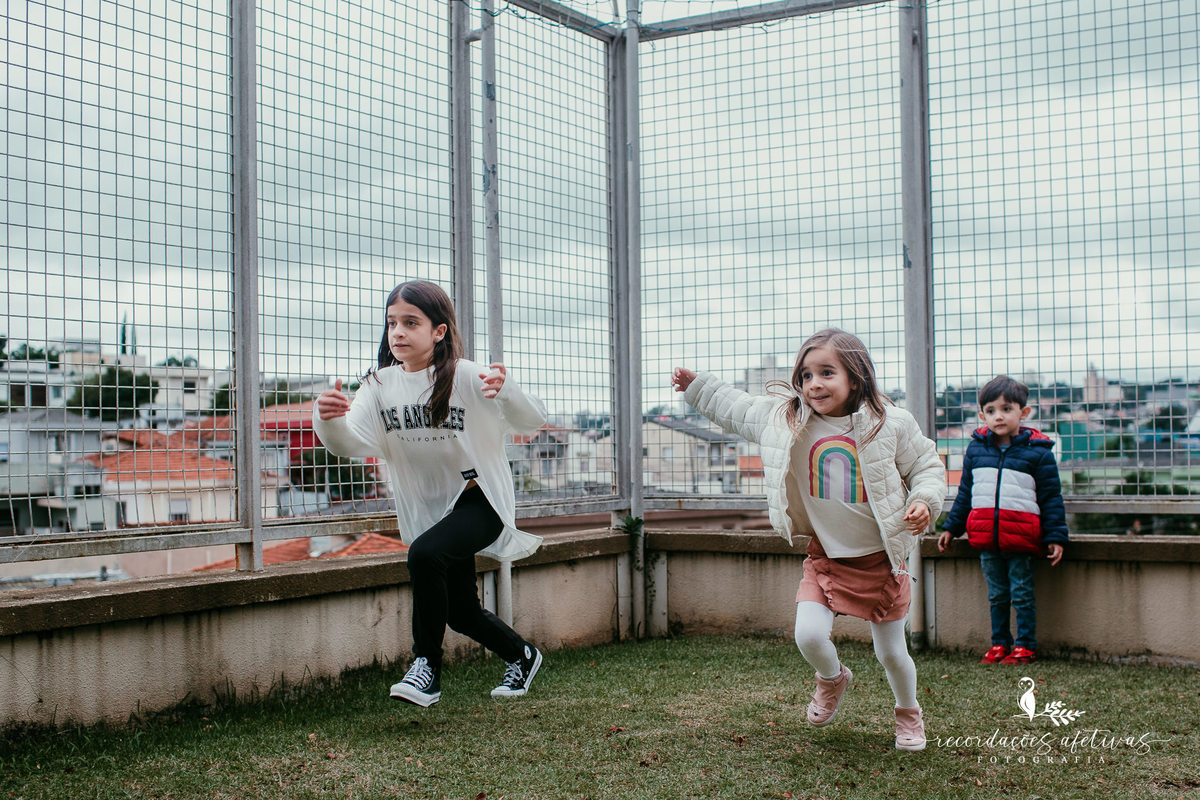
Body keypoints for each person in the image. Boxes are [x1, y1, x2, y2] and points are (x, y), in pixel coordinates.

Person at [671, 329, 945, 752]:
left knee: (892, 654)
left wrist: (924, 500)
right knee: (809, 636)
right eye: (806, 374)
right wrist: (698, 387)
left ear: (855, 377)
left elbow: (926, 465)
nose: (814, 383)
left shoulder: (891, 422)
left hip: (881, 561)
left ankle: (908, 713)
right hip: (825, 558)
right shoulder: (786, 419)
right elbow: (738, 408)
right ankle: (833, 679)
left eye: (827, 373)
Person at [314, 280, 547, 708]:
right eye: (391, 323)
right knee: (460, 612)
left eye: (410, 323)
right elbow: (348, 444)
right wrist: (327, 419)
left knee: (425, 554)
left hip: (480, 501)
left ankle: (426, 669)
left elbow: (531, 421)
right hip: (433, 509)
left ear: (438, 331)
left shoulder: (467, 375)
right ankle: (522, 655)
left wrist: (508, 392)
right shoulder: (378, 386)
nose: (397, 333)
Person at [937, 375, 1067, 666]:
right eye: (992, 410)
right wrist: (951, 527)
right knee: (997, 595)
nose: (999, 416)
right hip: (985, 538)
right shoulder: (976, 450)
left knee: (1021, 594)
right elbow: (966, 493)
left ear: (1023, 413)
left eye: (1007, 409)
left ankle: (1025, 645)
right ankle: (999, 644)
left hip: (1021, 538)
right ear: (983, 415)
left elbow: (1051, 498)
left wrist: (1056, 537)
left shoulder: (1039, 453)